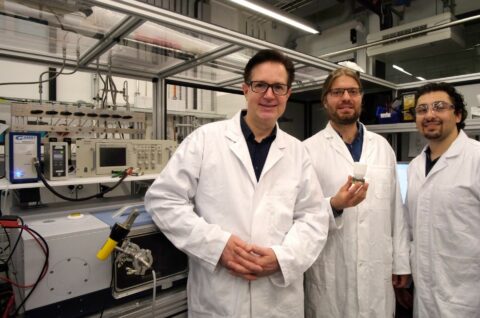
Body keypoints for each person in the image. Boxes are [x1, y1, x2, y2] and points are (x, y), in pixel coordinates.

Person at [145, 49, 330, 318]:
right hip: (219, 297)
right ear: (245, 89)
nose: (269, 95)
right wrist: (216, 246)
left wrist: (282, 258)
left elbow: (313, 217)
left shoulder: (297, 152)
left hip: (277, 300)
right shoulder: (205, 140)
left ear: (288, 94)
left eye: (278, 87)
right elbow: (163, 199)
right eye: (260, 85)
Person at [303, 67, 411, 318]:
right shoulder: (307, 151)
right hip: (330, 271)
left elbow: (397, 210)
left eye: (352, 91)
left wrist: (401, 262)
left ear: (361, 97)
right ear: (325, 100)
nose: (346, 98)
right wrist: (334, 205)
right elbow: (300, 213)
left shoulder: (382, 147)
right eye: (337, 92)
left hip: (377, 268)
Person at [405, 82, 480, 317]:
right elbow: (413, 228)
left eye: (439, 107)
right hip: (425, 294)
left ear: (457, 114)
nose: (430, 115)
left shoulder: (476, 158)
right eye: (422, 109)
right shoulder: (415, 166)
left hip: (468, 296)